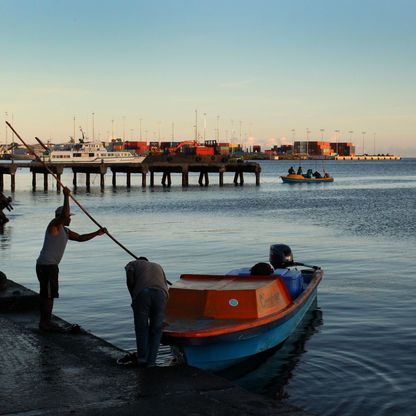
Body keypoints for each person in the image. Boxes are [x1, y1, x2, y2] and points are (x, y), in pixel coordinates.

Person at [36, 187, 106, 331]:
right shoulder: (54, 226)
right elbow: (63, 216)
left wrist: (97, 233)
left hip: (50, 266)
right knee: (48, 296)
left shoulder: (65, 231)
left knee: (48, 295)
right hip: (47, 266)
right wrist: (66, 196)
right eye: (69, 217)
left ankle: (45, 321)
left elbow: (80, 238)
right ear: (62, 216)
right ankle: (45, 323)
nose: (70, 219)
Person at [118, 257, 169, 368]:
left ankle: (142, 359)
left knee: (141, 327)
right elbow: (165, 286)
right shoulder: (157, 265)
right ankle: (151, 363)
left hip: (143, 294)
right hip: (161, 294)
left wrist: (133, 297)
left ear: (140, 260)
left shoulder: (133, 263)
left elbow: (130, 278)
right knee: (156, 329)